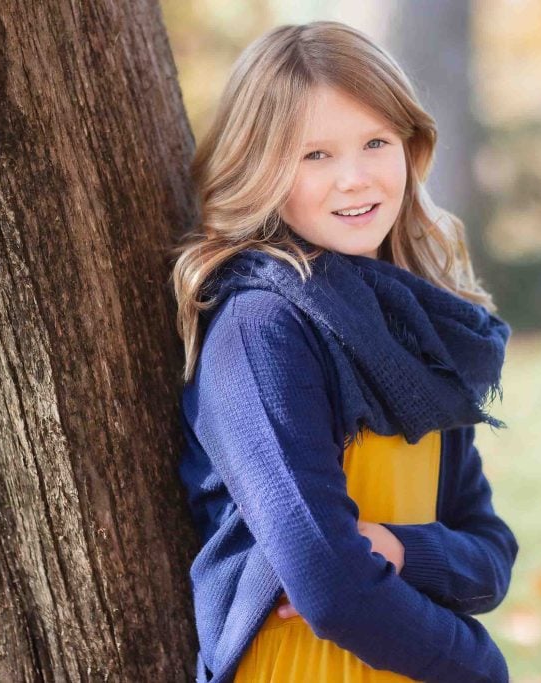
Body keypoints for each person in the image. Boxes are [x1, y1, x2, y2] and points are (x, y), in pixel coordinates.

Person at [169, 20, 519, 683]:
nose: (354, 179)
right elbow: (330, 586)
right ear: (260, 167)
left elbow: (490, 555)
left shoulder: (415, 327)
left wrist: (402, 549)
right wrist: (481, 668)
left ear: (410, 149)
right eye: (315, 155)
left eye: (375, 142)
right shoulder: (261, 328)